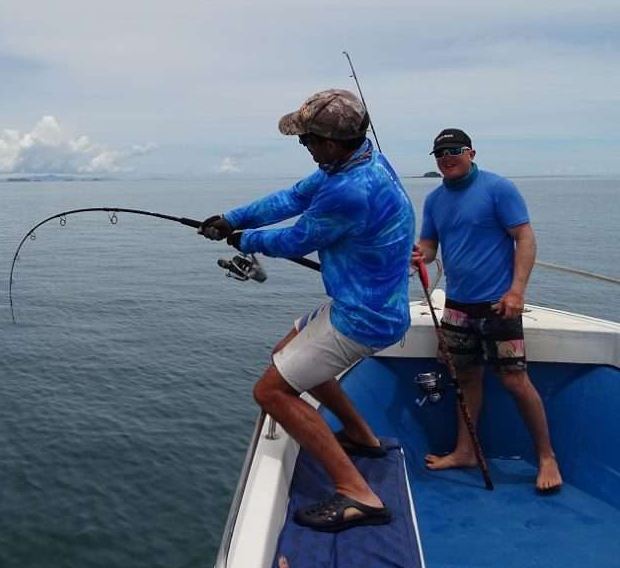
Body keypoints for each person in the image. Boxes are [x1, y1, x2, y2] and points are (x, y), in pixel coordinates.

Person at [201, 89, 415, 532]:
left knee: (271, 392)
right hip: (368, 301)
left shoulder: (350, 191)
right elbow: (291, 198)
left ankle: (359, 495)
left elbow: (297, 239)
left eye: (309, 139)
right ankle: (362, 437)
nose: (305, 146)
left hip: (364, 315)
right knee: (288, 349)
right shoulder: (355, 163)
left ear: (335, 142)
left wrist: (244, 240)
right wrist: (231, 218)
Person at [412, 129, 562, 493]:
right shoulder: (434, 200)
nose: (446, 157)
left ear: (471, 152)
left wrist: (517, 290)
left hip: (499, 305)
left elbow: (525, 237)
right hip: (457, 308)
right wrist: (418, 254)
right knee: (465, 380)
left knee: (514, 380)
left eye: (453, 150)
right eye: (439, 153)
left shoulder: (499, 189)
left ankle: (546, 457)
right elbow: (430, 247)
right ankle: (464, 452)